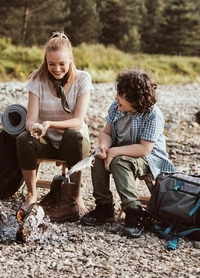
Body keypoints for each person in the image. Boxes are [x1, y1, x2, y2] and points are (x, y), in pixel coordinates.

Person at [80, 67, 175, 238]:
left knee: (120, 161)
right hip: (121, 152)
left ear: (135, 99)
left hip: (149, 158)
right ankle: (104, 207)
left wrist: (114, 152)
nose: (116, 97)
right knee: (98, 157)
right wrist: (104, 147)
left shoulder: (153, 115)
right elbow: (106, 133)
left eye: (121, 94)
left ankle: (134, 213)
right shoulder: (116, 107)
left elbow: (145, 148)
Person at [17, 31, 92, 222]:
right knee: (24, 139)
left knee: (72, 134)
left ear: (70, 60)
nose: (56, 69)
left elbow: (78, 120)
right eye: (51, 64)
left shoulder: (83, 79)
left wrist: (50, 123)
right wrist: (37, 128)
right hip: (48, 140)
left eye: (62, 64)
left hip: (74, 142)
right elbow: (30, 121)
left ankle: (74, 196)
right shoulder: (37, 79)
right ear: (46, 61)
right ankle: (31, 195)